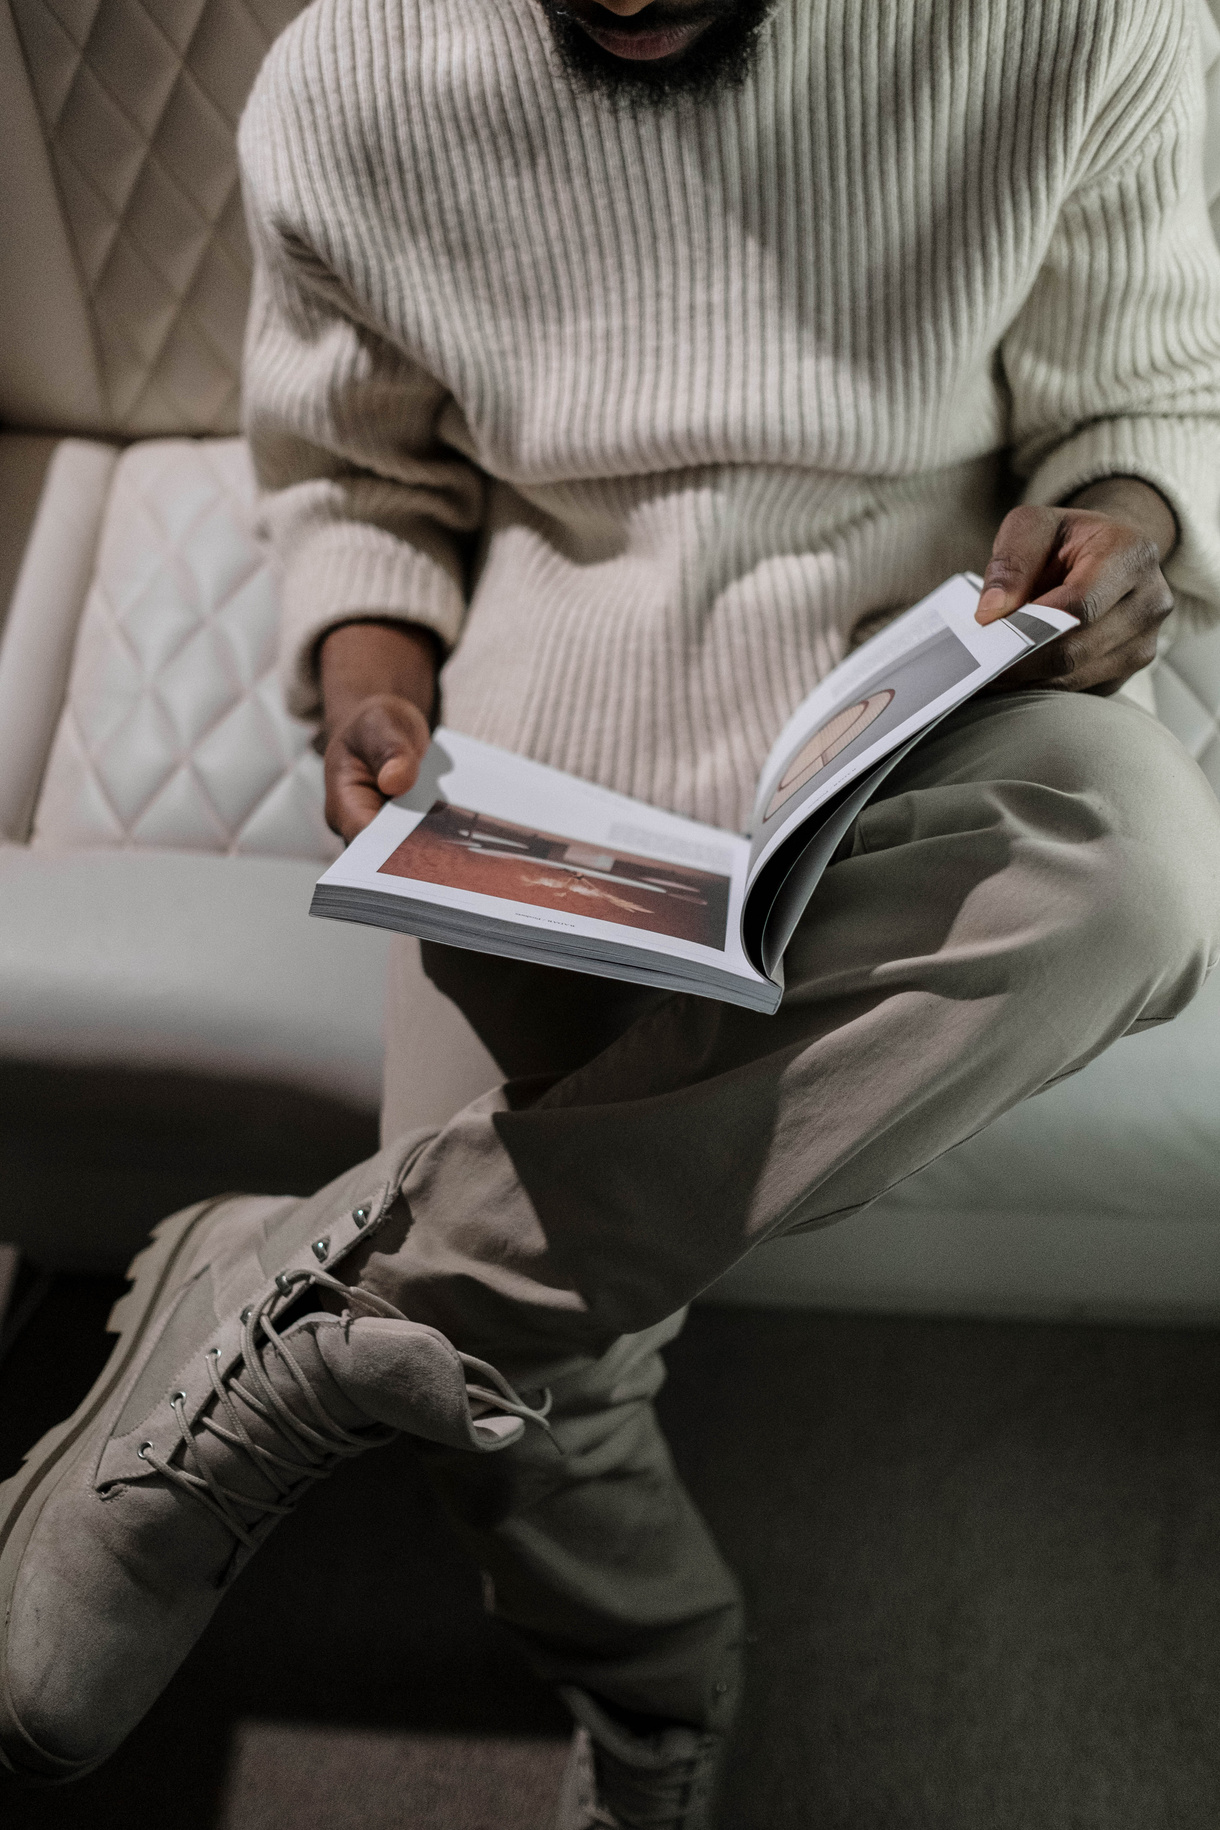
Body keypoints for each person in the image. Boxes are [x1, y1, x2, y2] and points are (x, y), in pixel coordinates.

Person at [2, 1, 1220, 1824]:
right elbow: (358, 481)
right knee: (520, 1382)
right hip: (543, 747)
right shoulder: (350, 80)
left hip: (912, 693)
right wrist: (368, 677)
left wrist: (1126, 528)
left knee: (1141, 863)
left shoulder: (1075, 22)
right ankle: (659, 1681)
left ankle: (315, 1306)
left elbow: (1141, 400)